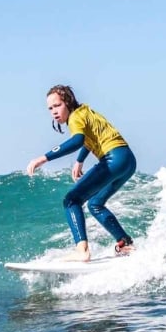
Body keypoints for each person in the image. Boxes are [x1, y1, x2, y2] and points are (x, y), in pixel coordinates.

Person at [25, 85, 136, 261]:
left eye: (57, 105)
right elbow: (89, 137)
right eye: (50, 108)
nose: (54, 111)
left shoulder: (75, 117)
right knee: (95, 204)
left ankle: (81, 250)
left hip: (113, 159)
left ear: (67, 102)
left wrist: (43, 158)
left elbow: (78, 140)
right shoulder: (85, 111)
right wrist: (80, 160)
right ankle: (125, 244)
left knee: (71, 200)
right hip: (128, 160)